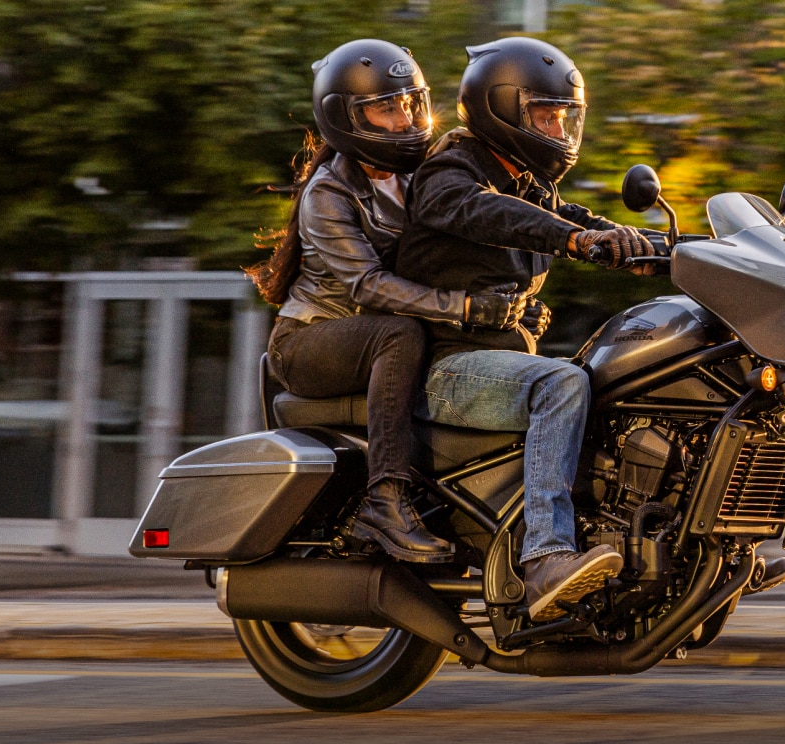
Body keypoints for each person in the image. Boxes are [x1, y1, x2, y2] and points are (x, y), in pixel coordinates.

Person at [393, 37, 660, 620]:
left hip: (494, 362)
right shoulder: (451, 168)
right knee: (562, 384)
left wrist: (653, 245)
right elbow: (483, 210)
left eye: (566, 117)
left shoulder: (526, 181)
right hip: (446, 367)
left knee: (616, 378)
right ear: (503, 108)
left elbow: (570, 217)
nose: (560, 130)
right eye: (546, 114)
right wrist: (575, 241)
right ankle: (545, 558)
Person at [246, 39, 543, 564]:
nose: (405, 119)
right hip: (313, 342)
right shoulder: (329, 192)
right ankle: (385, 499)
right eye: (386, 108)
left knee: (505, 341)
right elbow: (369, 287)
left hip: (386, 333)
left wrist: (509, 301)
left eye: (412, 103)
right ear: (344, 118)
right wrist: (468, 307)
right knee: (399, 333)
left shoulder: (421, 172)